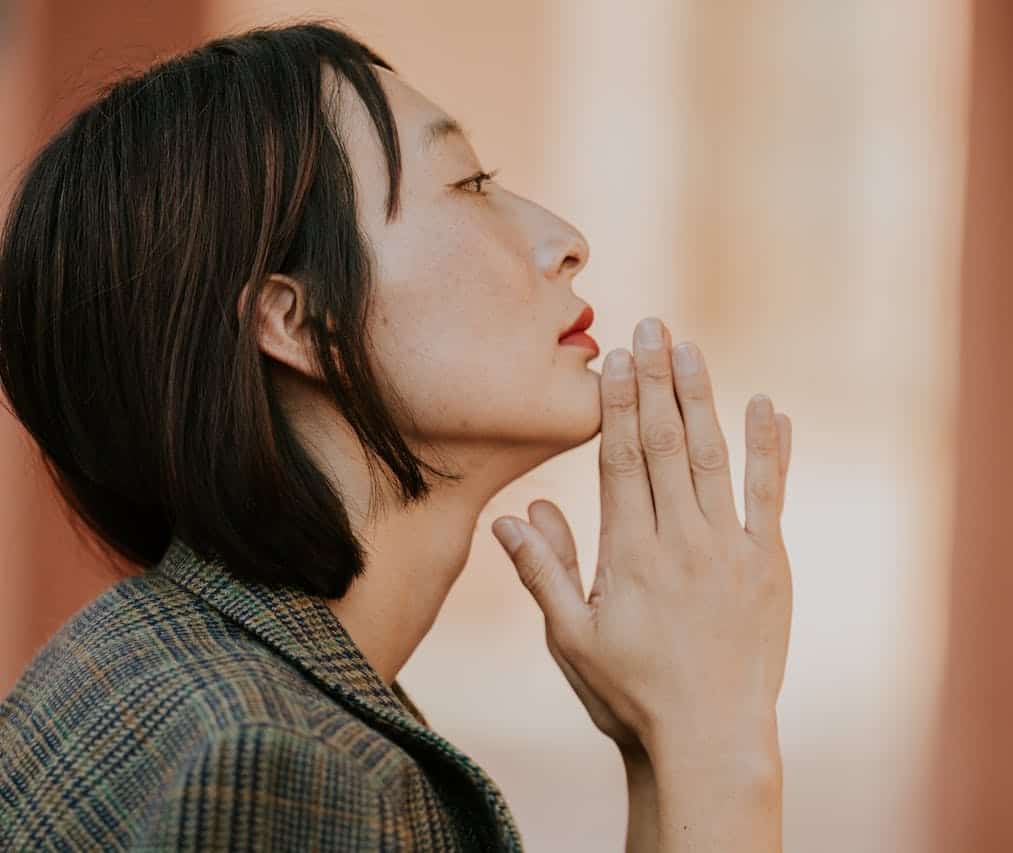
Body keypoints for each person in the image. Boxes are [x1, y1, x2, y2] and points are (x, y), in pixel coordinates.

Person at [0, 20, 794, 852]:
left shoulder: (151, 659)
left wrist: (661, 744)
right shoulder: (279, 766)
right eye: (472, 183)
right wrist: (725, 746)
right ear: (301, 323)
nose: (565, 241)